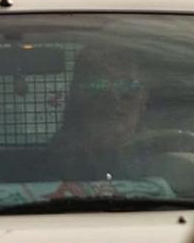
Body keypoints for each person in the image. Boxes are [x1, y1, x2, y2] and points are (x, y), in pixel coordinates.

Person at [51, 45, 147, 177]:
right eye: (98, 86)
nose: (114, 97)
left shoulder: (167, 153)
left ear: (143, 98)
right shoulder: (52, 164)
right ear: (78, 99)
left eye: (127, 86)